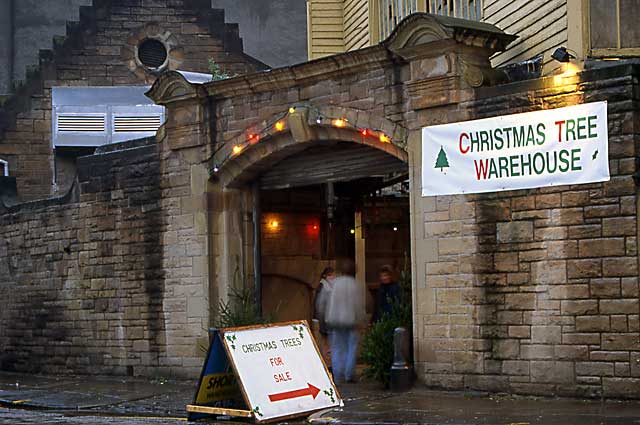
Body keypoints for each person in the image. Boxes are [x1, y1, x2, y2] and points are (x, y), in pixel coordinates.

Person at [325, 258, 365, 383]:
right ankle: (348, 374)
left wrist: (327, 317)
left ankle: (337, 375)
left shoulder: (335, 284)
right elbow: (358, 305)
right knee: (351, 347)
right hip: (351, 320)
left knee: (337, 348)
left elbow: (327, 301)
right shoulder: (356, 285)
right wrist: (361, 319)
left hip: (335, 320)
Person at [314, 266, 335, 366]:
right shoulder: (323, 287)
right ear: (325, 275)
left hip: (328, 319)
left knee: (328, 343)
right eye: (330, 275)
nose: (332, 277)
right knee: (326, 343)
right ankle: (327, 363)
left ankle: (328, 362)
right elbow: (320, 306)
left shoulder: (328, 286)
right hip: (324, 320)